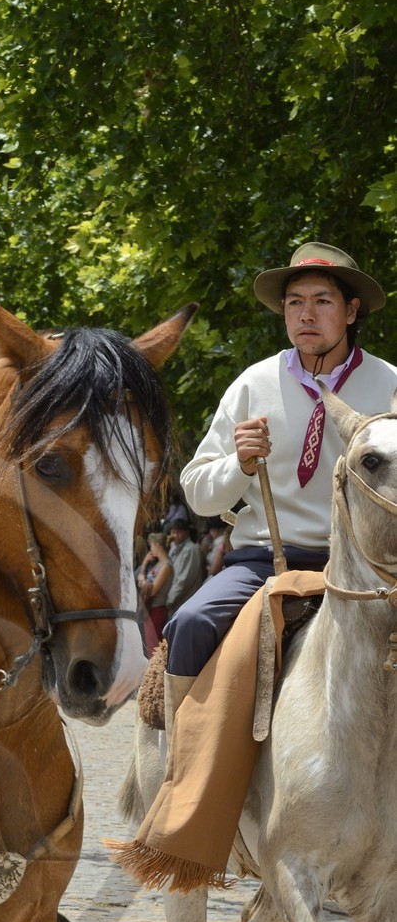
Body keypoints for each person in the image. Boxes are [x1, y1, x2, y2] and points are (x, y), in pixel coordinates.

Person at [163, 241, 397, 721]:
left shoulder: (390, 385)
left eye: (322, 301)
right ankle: (180, 766)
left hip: (371, 570)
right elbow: (199, 495)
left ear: (352, 311)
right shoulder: (252, 384)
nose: (305, 314)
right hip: (263, 563)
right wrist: (240, 465)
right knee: (190, 621)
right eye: (295, 302)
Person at [136, 532, 172, 654]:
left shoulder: (166, 566)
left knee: (153, 648)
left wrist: (141, 577)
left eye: (151, 546)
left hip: (157, 609)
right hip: (150, 609)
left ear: (157, 545)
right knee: (148, 644)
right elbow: (144, 583)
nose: (151, 549)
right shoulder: (158, 564)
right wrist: (145, 564)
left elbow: (152, 590)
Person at [163, 514, 206, 614]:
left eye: (179, 532)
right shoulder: (174, 546)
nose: (176, 535)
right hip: (176, 603)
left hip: (183, 602)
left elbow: (182, 581)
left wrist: (168, 602)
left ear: (186, 532)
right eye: (173, 532)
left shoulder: (190, 549)